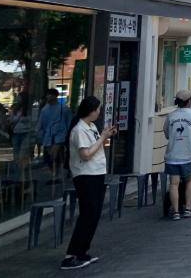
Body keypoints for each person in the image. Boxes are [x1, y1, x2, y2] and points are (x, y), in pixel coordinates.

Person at [61, 96, 116, 270]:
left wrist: (106, 135)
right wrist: (103, 138)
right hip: (86, 175)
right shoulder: (78, 130)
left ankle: (82, 250)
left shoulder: (91, 127)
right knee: (87, 213)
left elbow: (96, 147)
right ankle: (71, 254)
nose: (99, 112)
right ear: (91, 111)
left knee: (94, 213)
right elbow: (85, 154)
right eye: (98, 109)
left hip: (97, 173)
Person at [164, 89, 191, 220]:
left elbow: (166, 133)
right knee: (190, 180)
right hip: (188, 153)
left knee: (173, 183)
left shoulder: (170, 116)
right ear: (189, 101)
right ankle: (188, 208)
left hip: (172, 154)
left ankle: (176, 211)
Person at [37, 88, 72, 174]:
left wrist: (67, 133)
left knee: (55, 154)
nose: (48, 97)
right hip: (48, 136)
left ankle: (57, 172)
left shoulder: (63, 108)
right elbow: (41, 123)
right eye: (47, 95)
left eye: (49, 95)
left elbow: (69, 121)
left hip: (60, 135)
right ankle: (55, 172)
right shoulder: (44, 109)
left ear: (54, 96)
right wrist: (39, 134)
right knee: (51, 155)